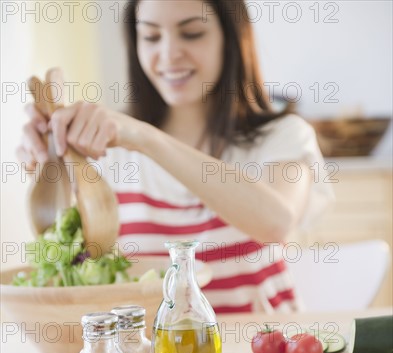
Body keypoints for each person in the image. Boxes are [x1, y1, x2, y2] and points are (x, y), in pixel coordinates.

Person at [17, 0, 334, 313]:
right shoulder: (106, 153)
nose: (168, 54)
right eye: (152, 37)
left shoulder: (283, 136)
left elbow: (275, 222)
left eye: (192, 33)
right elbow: (80, 265)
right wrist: (53, 164)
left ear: (231, 37)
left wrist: (147, 138)